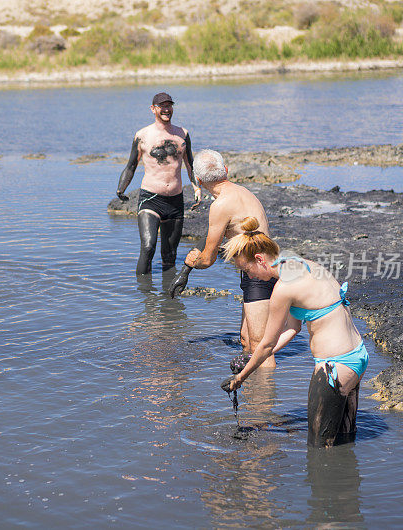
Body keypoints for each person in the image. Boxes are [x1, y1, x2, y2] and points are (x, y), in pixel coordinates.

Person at [221, 217, 369, 447]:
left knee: (319, 451)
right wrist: (254, 359)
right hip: (356, 355)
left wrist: (241, 377)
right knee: (345, 439)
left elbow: (267, 345)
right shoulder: (299, 264)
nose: (248, 276)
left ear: (259, 259)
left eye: (246, 269)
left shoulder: (283, 289)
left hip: (334, 368)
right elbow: (293, 328)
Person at [167, 149, 276, 364]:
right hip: (257, 272)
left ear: (197, 179)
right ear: (226, 170)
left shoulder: (220, 205)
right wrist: (186, 272)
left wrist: (190, 263)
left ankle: (265, 397)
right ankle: (252, 393)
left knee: (261, 349)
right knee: (246, 340)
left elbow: (207, 260)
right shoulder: (241, 192)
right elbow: (211, 238)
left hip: (260, 274)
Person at [115, 92, 201, 275]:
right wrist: (121, 188)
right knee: (148, 247)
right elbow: (131, 165)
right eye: (162, 106)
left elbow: (190, 164)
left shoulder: (183, 134)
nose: (167, 109)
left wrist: (196, 187)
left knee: (170, 255)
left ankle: (168, 299)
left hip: (175, 201)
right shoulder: (142, 135)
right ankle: (145, 295)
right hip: (150, 199)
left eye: (169, 105)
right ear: (153, 109)